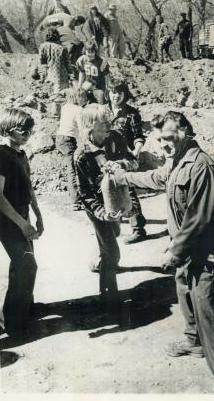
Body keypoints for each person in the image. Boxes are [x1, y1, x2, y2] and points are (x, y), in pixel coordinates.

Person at [109, 111, 214, 394]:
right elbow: (156, 178)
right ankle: (194, 342)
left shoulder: (201, 167)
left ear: (185, 132)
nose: (163, 145)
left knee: (208, 309)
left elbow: (199, 219)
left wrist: (175, 251)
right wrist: (123, 177)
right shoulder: (177, 160)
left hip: (207, 250)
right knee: (184, 291)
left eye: (168, 138)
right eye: (159, 139)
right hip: (186, 247)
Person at [74, 105, 138, 299]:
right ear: (90, 126)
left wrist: (121, 165)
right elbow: (85, 194)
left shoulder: (116, 138)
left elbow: (134, 162)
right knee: (111, 249)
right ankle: (109, 298)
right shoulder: (81, 156)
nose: (109, 125)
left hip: (119, 198)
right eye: (104, 123)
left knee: (115, 232)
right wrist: (102, 212)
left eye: (109, 121)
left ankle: (98, 260)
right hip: (99, 207)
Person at [0, 109, 44, 337]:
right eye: (22, 130)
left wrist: (37, 214)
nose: (28, 134)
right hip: (7, 219)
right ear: (8, 128)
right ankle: (14, 325)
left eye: (30, 130)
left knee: (22, 265)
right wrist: (22, 224)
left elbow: (29, 187)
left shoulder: (21, 154)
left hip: (23, 215)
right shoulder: (0, 154)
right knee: (26, 266)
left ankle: (15, 314)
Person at [107, 76, 147, 244]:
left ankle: (138, 229)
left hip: (124, 158)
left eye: (119, 93)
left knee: (128, 192)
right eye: (112, 92)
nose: (116, 96)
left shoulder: (132, 114)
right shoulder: (102, 111)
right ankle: (113, 227)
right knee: (109, 190)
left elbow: (138, 137)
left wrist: (136, 153)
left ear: (125, 94)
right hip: (106, 160)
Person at [56, 87, 88, 210]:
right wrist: (85, 142)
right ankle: (75, 201)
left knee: (71, 168)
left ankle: (74, 196)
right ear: (79, 97)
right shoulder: (79, 110)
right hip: (69, 139)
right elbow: (81, 129)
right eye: (84, 97)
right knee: (73, 170)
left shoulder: (65, 106)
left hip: (60, 138)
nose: (85, 100)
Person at [38, 27, 71, 93]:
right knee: (60, 96)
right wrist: (70, 74)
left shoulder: (42, 46)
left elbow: (41, 62)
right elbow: (67, 64)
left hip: (48, 75)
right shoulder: (63, 48)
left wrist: (43, 75)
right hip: (60, 76)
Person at [76, 40, 110, 104]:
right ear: (84, 51)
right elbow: (82, 73)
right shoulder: (82, 60)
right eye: (88, 52)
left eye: (92, 52)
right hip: (88, 83)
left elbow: (106, 76)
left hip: (99, 85)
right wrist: (79, 86)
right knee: (80, 95)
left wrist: (107, 88)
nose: (90, 54)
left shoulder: (101, 61)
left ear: (95, 51)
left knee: (101, 97)